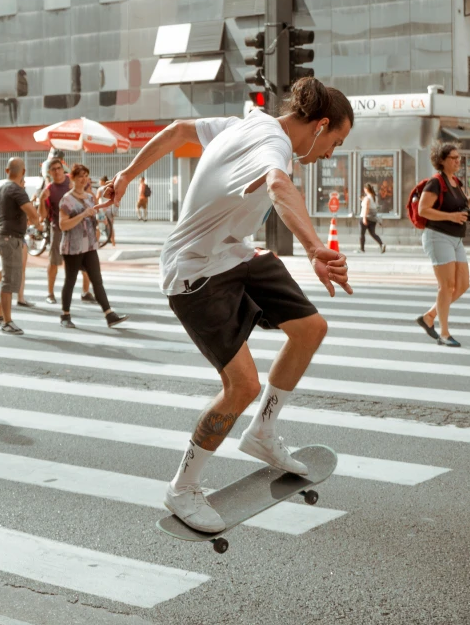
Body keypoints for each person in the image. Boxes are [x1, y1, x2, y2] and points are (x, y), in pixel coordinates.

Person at [104, 76, 353, 533]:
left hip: (236, 252)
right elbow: (278, 185)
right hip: (195, 272)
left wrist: (125, 176)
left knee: (311, 328)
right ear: (319, 126)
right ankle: (182, 486)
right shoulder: (272, 145)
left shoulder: (245, 123)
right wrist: (316, 247)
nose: (331, 153)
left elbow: (179, 131)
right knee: (241, 386)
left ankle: (261, 434)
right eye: (335, 141)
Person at [417, 142, 470, 347]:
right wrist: (450, 217)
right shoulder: (435, 182)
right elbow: (422, 210)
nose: (457, 160)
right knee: (447, 286)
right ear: (442, 161)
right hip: (438, 236)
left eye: (458, 157)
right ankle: (444, 333)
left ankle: (429, 316)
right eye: (453, 157)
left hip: (455, 238)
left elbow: (461, 206)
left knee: (463, 285)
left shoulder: (455, 182)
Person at [59, 163, 129, 329]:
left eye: (86, 176)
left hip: (89, 246)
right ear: (73, 178)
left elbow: (92, 219)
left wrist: (97, 224)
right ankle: (65, 315)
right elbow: (63, 225)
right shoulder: (66, 200)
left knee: (97, 281)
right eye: (80, 176)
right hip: (73, 248)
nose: (84, 179)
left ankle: (109, 314)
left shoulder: (90, 197)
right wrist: (83, 214)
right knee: (70, 281)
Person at [0, 157, 43, 335]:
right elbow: (32, 213)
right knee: (9, 280)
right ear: (23, 172)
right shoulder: (17, 190)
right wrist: (38, 224)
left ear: (7, 170)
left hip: (1, 234)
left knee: (9, 274)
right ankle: (7, 322)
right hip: (10, 238)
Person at [39, 157, 94, 304]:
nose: (57, 171)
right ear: (49, 172)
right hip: (58, 229)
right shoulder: (49, 189)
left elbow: (89, 196)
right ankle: (50, 293)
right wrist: (41, 200)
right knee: (54, 262)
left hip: (80, 228)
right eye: (53, 169)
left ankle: (86, 292)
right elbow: (43, 215)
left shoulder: (74, 180)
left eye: (59, 168)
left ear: (63, 169)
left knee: (86, 261)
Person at [358, 183, 385, 254]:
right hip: (373, 218)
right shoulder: (374, 197)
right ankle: (381, 244)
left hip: (365, 216)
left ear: (366, 189)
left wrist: (364, 218)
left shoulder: (367, 198)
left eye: (364, 189)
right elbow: (374, 206)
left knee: (362, 234)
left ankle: (362, 249)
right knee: (373, 233)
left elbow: (366, 207)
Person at [97, 175, 116, 246]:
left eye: (100, 181)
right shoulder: (110, 188)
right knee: (110, 226)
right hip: (109, 209)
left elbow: (97, 198)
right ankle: (113, 242)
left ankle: (97, 241)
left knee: (99, 225)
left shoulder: (100, 189)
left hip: (102, 209)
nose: (99, 182)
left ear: (102, 181)